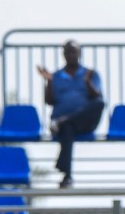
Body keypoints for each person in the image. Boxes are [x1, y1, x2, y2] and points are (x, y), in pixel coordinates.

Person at [37, 40, 105, 189]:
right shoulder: (56, 76)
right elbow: (49, 101)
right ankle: (67, 177)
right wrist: (49, 81)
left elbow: (97, 96)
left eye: (73, 51)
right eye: (68, 52)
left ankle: (63, 121)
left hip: (85, 121)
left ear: (79, 53)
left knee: (99, 104)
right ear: (63, 54)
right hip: (64, 126)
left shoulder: (91, 74)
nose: (71, 55)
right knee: (67, 128)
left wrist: (87, 82)